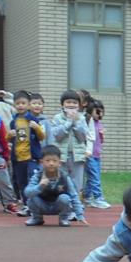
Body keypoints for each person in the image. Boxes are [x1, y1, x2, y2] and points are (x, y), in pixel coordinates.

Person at [49, 90, 90, 221]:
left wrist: (76, 122)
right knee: (62, 183)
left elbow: (83, 137)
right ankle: (64, 209)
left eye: (74, 102)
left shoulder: (82, 118)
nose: (71, 105)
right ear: (62, 104)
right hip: (61, 156)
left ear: (79, 105)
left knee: (77, 184)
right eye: (68, 102)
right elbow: (57, 135)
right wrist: (68, 123)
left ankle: (75, 210)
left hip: (77, 157)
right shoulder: (57, 118)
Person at [22, 145, 79, 227]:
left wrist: (79, 214)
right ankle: (37, 218)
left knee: (65, 198)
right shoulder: (37, 176)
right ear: (42, 162)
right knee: (32, 197)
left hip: (58, 206)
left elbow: (74, 195)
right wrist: (39, 187)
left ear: (59, 163)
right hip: (42, 205)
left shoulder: (65, 177)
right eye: (47, 160)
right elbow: (27, 192)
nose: (51, 163)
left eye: (54, 161)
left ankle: (63, 218)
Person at [8, 90, 45, 210]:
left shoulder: (33, 120)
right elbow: (9, 139)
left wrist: (37, 128)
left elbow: (41, 137)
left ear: (28, 105)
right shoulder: (13, 122)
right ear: (14, 105)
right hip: (18, 158)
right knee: (21, 182)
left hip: (31, 157)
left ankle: (36, 203)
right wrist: (9, 135)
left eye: (23, 103)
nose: (20, 106)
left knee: (33, 180)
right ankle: (26, 205)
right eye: (18, 103)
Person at [83, 98, 110, 209]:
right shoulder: (88, 122)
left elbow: (100, 141)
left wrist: (102, 135)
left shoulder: (99, 124)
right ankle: (98, 198)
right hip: (90, 155)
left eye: (101, 111)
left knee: (92, 177)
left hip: (97, 155)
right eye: (97, 111)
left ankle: (87, 196)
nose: (100, 114)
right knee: (95, 177)